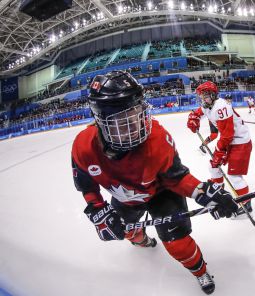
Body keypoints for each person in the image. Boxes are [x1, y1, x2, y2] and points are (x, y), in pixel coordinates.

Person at [71, 71, 238, 295]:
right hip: (125, 197)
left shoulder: (157, 137)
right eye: (123, 121)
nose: (136, 124)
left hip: (161, 192)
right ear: (100, 121)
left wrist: (202, 192)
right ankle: (142, 241)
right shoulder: (83, 147)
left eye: (138, 113)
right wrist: (98, 210)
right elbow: (87, 186)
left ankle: (200, 271)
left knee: (177, 242)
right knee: (129, 233)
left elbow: (177, 178)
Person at [187, 81, 253, 216]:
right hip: (230, 141)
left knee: (234, 176)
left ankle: (247, 204)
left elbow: (227, 135)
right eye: (201, 96)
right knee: (213, 167)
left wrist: (219, 152)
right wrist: (193, 118)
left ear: (212, 94)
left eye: (205, 95)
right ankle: (219, 193)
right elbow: (197, 113)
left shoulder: (221, 107)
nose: (202, 99)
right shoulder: (207, 105)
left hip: (240, 142)